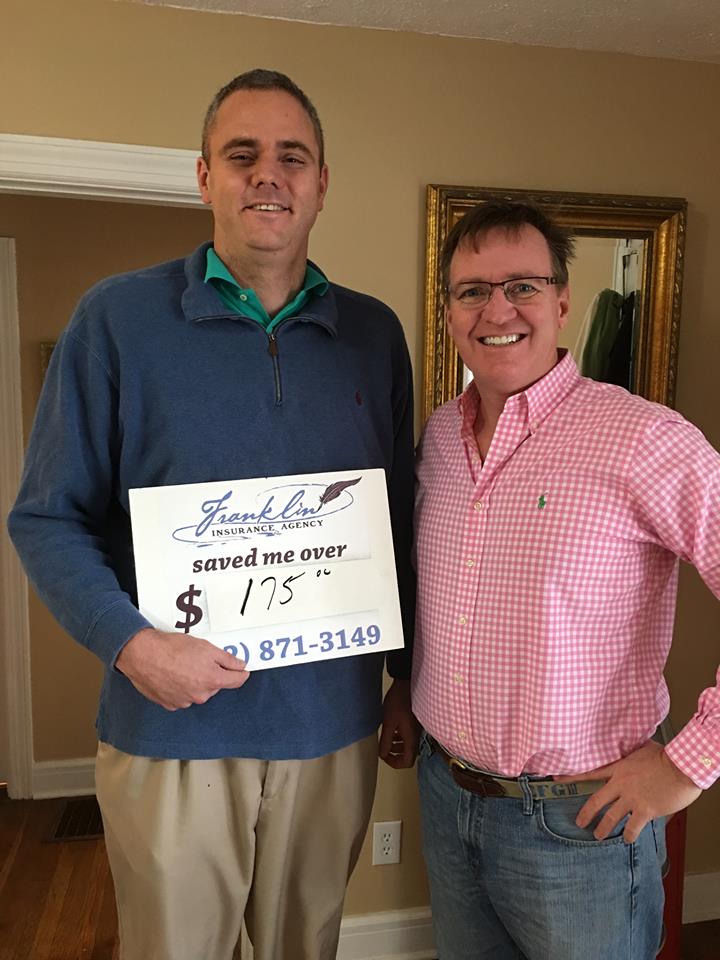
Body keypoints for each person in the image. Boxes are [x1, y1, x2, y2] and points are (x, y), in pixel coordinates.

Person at [8, 69, 417, 960]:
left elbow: (397, 520)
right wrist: (133, 645)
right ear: (204, 177)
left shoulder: (375, 334)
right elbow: (45, 518)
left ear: (321, 184)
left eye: (292, 157)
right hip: (172, 729)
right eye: (242, 155)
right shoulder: (115, 320)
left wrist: (407, 677)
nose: (269, 174)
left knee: (307, 945)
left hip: (331, 727)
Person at [412, 200, 719, 959]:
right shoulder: (439, 440)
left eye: (522, 286)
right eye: (472, 291)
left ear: (561, 302)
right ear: (449, 313)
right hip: (447, 798)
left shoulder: (642, 437)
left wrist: (688, 764)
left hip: (580, 827)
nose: (498, 310)